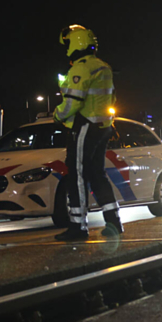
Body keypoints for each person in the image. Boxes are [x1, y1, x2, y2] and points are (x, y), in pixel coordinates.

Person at [53, 24, 122, 241]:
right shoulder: (104, 67)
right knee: (97, 174)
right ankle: (113, 221)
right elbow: (112, 99)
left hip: (85, 126)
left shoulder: (81, 68)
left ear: (76, 42)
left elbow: (72, 103)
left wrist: (57, 115)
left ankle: (78, 226)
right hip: (103, 126)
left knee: (77, 175)